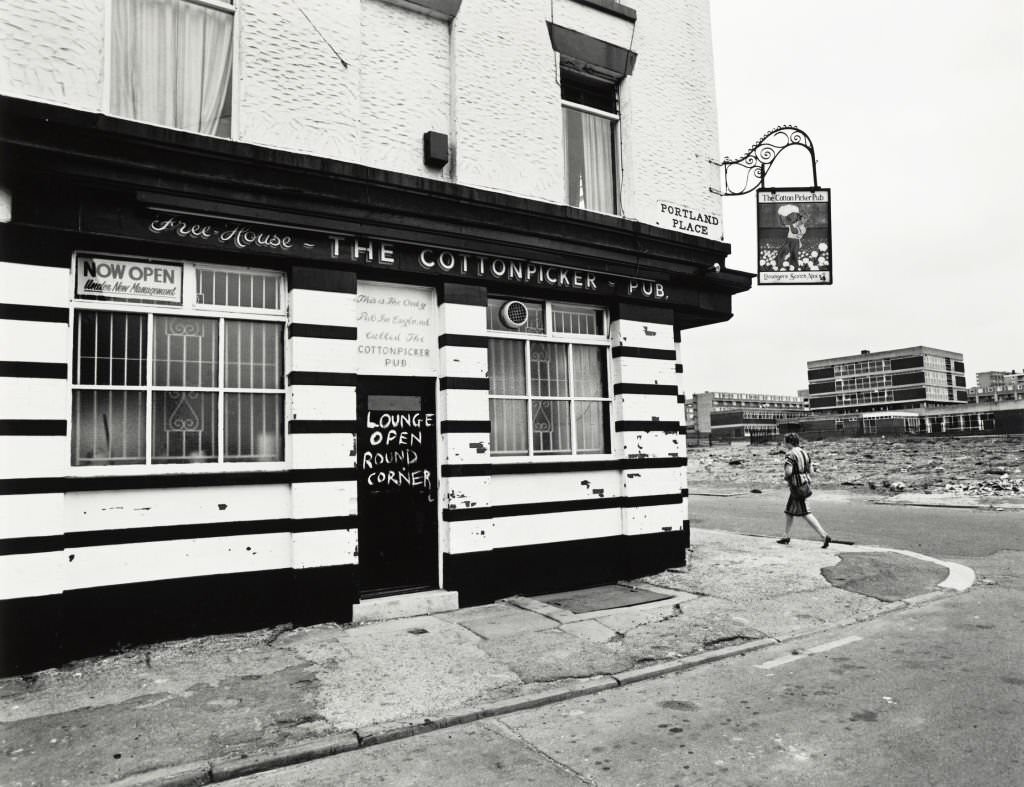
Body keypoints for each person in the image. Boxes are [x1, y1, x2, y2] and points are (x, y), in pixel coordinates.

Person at [777, 433, 831, 548]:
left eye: (785, 441)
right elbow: (811, 472)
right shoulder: (804, 453)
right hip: (805, 483)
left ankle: (824, 535)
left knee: (806, 512)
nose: (784, 443)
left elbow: (788, 472)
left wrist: (786, 477)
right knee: (789, 511)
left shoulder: (790, 454)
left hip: (797, 487)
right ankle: (785, 536)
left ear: (789, 442)